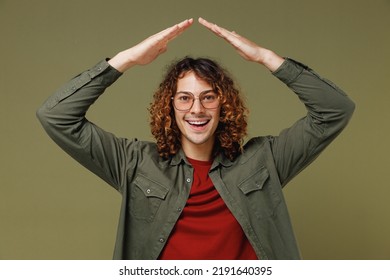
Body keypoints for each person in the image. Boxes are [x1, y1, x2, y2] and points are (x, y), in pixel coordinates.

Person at [37, 18, 355, 260]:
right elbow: (56, 116)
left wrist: (266, 58)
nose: (197, 109)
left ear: (223, 103)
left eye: (208, 97)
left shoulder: (264, 160)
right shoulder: (134, 162)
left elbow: (335, 110)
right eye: (185, 98)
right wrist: (127, 60)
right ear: (170, 105)